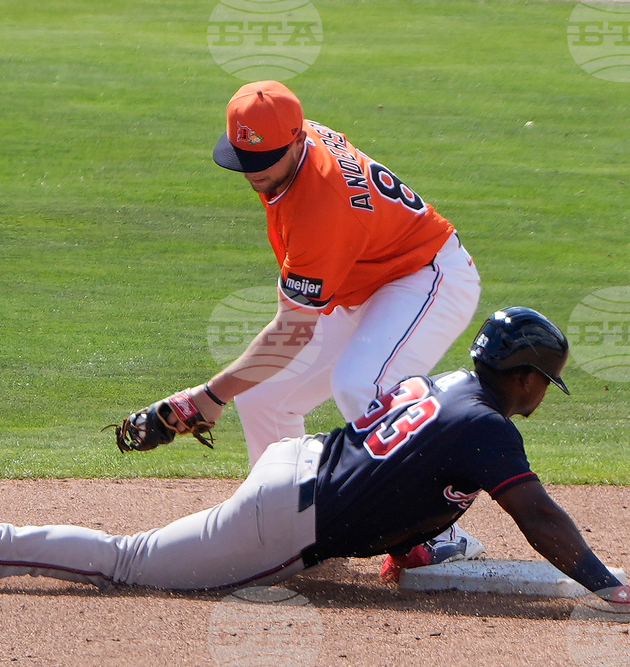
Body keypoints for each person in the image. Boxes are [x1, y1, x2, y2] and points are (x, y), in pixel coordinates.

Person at [0, 307, 630, 613]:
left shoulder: (445, 385)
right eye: (545, 382)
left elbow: (399, 467)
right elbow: (538, 515)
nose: (542, 394)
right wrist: (609, 585)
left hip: (293, 464)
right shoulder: (493, 428)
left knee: (145, 559)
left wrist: (407, 541)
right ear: (527, 376)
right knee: (127, 564)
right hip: (280, 519)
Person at [148, 79, 484, 562]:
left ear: (298, 141)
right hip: (360, 279)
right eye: (247, 161)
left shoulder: (322, 206)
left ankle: (431, 531)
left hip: (427, 277)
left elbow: (291, 332)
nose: (254, 174)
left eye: (266, 163)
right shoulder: (295, 138)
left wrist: (207, 396)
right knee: (265, 393)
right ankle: (289, 525)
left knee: (358, 384)